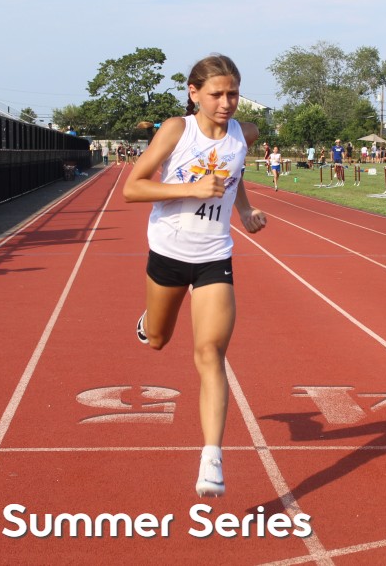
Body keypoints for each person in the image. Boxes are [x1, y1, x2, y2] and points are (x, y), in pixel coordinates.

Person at [123, 55, 266, 498]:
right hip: (168, 252)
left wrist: (245, 210)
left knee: (210, 354)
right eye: (216, 94)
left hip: (214, 256)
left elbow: (234, 172)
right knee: (159, 339)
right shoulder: (176, 130)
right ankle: (149, 322)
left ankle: (211, 458)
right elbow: (133, 187)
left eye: (233, 94)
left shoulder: (245, 133)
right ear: (194, 93)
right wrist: (191, 188)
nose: (226, 103)